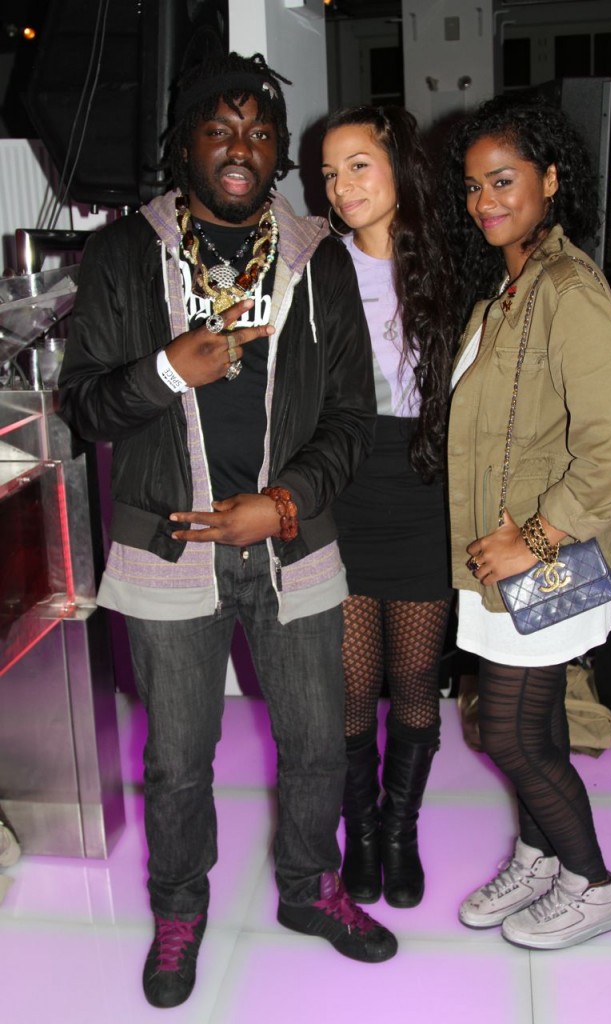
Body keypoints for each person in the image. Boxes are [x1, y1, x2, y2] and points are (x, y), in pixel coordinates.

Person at [58, 47, 398, 1011]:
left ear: (277, 152)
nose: (241, 147)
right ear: (185, 145)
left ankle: (309, 887)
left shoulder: (318, 258)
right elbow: (85, 406)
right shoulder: (124, 255)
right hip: (169, 547)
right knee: (176, 758)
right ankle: (179, 910)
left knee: (319, 742)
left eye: (259, 131)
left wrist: (282, 502)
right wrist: (169, 370)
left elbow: (351, 416)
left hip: (293, 542)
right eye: (220, 129)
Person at [440, 93, 611, 950]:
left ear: (551, 180)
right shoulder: (510, 287)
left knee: (511, 735)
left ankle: (590, 883)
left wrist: (532, 538)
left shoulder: (567, 288)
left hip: (540, 558)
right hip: (498, 561)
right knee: (535, 725)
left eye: (503, 180)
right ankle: (540, 856)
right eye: (472, 185)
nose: (484, 200)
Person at [321, 106, 454, 909]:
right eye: (329, 173)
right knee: (349, 683)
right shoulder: (317, 264)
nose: (342, 187)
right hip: (344, 482)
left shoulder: (453, 260)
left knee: (413, 677)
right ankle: (362, 833)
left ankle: (400, 832)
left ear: (399, 165)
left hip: (425, 485)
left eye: (358, 165)